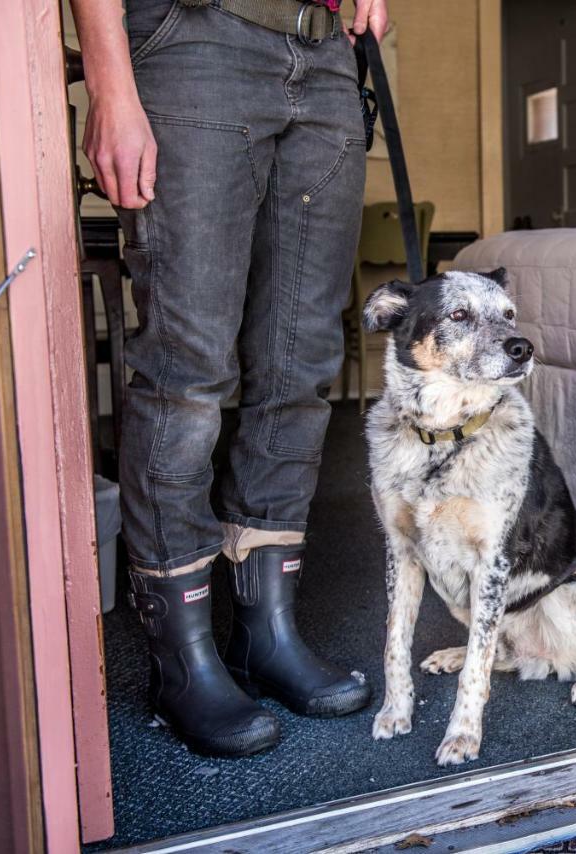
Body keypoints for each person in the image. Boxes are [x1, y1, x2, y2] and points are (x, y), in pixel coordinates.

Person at [70, 0, 387, 757]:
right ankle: (182, 662)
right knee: (188, 371)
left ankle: (264, 634)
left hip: (324, 58)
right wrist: (112, 87)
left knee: (300, 368)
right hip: (193, 41)